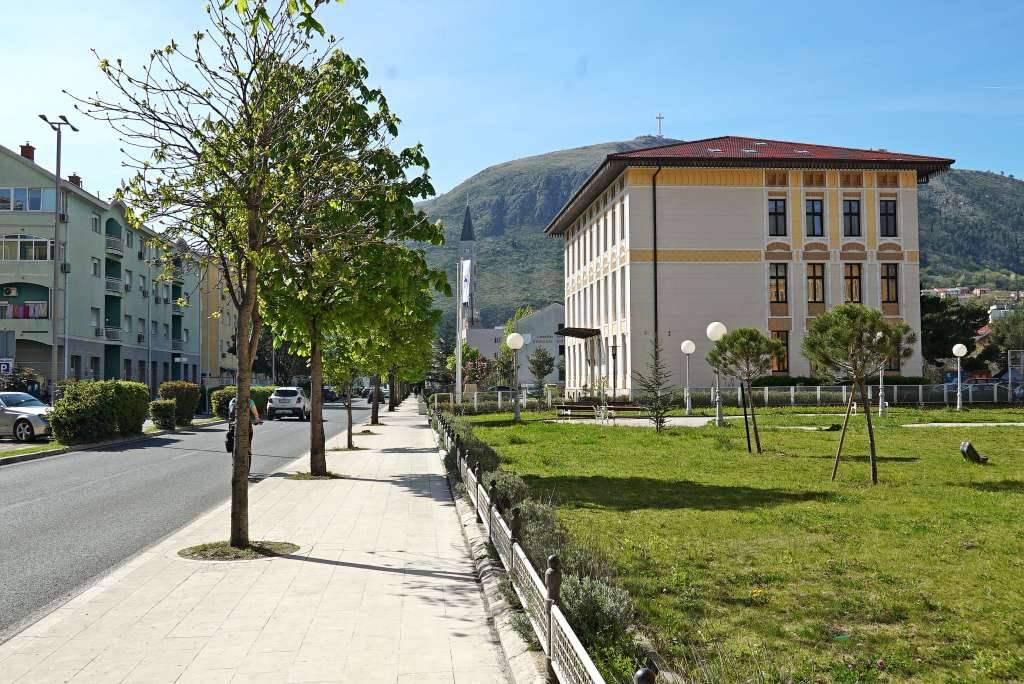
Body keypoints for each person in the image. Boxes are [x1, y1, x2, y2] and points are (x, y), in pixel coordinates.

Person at [226, 396, 262, 468]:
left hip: (233, 426)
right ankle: (248, 451)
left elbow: (230, 415)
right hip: (246, 426)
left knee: (234, 444)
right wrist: (257, 420)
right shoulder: (250, 401)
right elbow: (256, 415)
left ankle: (234, 461)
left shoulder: (232, 401)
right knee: (248, 440)